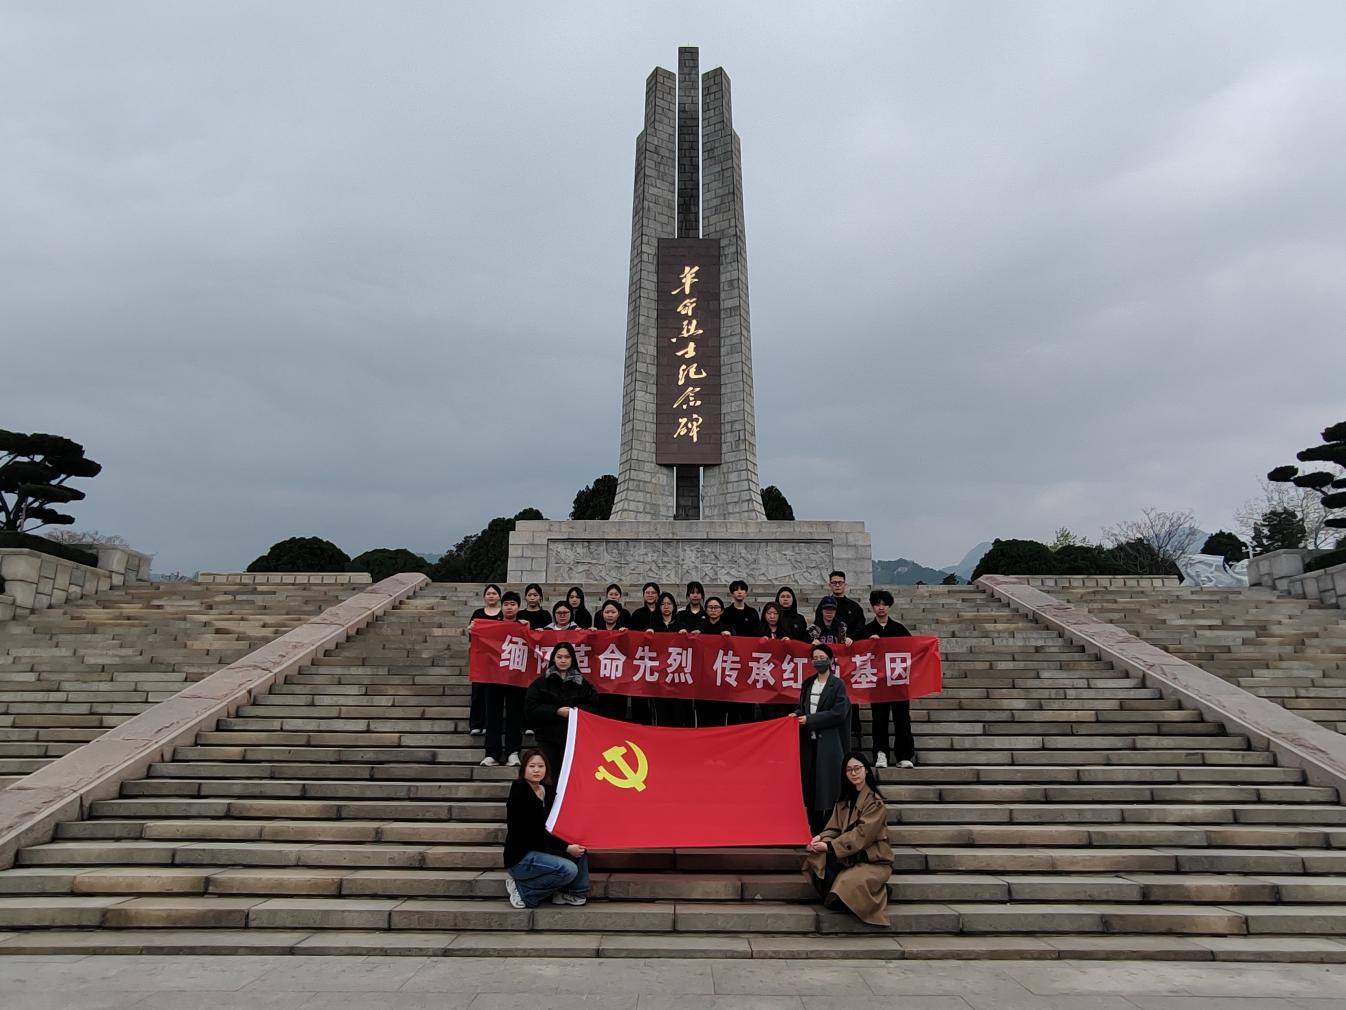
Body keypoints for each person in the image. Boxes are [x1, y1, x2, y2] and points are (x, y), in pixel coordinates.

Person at [802, 751, 892, 927]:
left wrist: (829, 846)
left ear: (866, 770)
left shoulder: (875, 803)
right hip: (848, 856)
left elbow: (862, 835)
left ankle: (880, 892)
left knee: (845, 886)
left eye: (857, 768)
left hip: (871, 860)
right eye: (849, 770)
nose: (854, 773)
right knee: (816, 860)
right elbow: (834, 828)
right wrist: (820, 838)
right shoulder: (844, 801)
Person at [503, 748, 590, 908]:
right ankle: (523, 890)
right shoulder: (519, 790)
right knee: (569, 869)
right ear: (524, 769)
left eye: (540, 766)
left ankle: (573, 892)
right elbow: (534, 832)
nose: (536, 770)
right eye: (532, 766)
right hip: (522, 856)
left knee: (580, 850)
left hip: (543, 849)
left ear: (546, 769)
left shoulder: (547, 790)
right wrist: (566, 847)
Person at [796, 643, 851, 834]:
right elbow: (803, 708)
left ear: (831, 660)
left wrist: (810, 720)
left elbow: (838, 713)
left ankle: (828, 831)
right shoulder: (808, 683)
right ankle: (813, 830)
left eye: (822, 658)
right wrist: (796, 715)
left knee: (827, 788)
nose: (818, 661)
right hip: (809, 744)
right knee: (811, 788)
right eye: (815, 658)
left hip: (828, 743)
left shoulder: (838, 685)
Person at [524, 642, 599, 776]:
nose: (563, 660)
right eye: (559, 657)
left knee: (571, 775)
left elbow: (594, 708)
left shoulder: (583, 684)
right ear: (553, 658)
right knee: (549, 775)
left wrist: (574, 712)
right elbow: (531, 708)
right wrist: (556, 711)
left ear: (572, 659)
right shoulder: (541, 683)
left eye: (567, 657)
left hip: (573, 739)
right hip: (547, 738)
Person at [861, 589, 916, 770]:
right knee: (879, 719)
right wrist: (868, 644)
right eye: (877, 604)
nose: (881, 608)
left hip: (898, 683)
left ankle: (904, 755)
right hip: (878, 684)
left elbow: (913, 650)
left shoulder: (899, 629)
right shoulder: (867, 630)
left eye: (884, 604)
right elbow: (856, 654)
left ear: (889, 606)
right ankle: (880, 753)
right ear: (872, 607)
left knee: (902, 719)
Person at [481, 591, 527, 767]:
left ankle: (513, 752)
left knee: (515, 715)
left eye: (513, 604)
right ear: (501, 607)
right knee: (493, 714)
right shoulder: (492, 626)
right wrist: (474, 630)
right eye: (506, 604)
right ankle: (492, 752)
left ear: (518, 607)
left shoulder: (524, 626)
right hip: (494, 676)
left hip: (516, 677)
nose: (509, 607)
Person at [809, 596, 862, 746]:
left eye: (832, 609)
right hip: (820, 676)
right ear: (821, 611)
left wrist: (850, 641)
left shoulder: (841, 628)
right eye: (826, 609)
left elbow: (849, 650)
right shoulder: (814, 629)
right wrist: (811, 643)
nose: (829, 612)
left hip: (840, 674)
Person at [649, 591, 694, 727]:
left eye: (669, 603)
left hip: (677, 676)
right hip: (660, 677)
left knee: (678, 714)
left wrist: (686, 637)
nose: (666, 606)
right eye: (663, 604)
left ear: (674, 606)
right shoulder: (653, 626)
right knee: (662, 714)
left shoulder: (681, 625)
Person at [759, 601, 807, 720]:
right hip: (766, 679)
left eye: (775, 613)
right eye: (769, 613)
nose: (772, 616)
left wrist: (790, 643)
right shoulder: (758, 630)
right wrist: (758, 643)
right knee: (768, 715)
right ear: (764, 615)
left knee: (783, 713)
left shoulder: (786, 631)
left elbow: (797, 651)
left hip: (784, 679)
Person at [468, 584, 504, 737]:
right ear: (484, 597)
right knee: (478, 692)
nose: (491, 596)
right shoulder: (478, 613)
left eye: (494, 593)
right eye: (488, 593)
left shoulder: (503, 613)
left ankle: (490, 724)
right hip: (481, 659)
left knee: (494, 695)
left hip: (498, 660)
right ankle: (476, 724)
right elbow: (471, 634)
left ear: (499, 596)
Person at [591, 601, 629, 720]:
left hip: (619, 678)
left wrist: (626, 636)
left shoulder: (624, 631)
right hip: (601, 677)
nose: (610, 615)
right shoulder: (597, 631)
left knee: (618, 711)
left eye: (613, 612)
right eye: (607, 612)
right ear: (602, 614)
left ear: (619, 614)